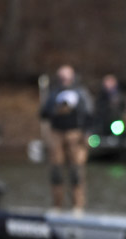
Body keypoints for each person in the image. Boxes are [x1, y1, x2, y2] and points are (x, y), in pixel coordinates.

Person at [39, 64, 93, 212]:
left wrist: (86, 133)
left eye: (66, 76)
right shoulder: (54, 93)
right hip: (56, 134)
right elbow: (43, 113)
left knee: (76, 171)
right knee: (56, 171)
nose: (64, 79)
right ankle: (57, 205)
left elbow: (89, 114)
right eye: (61, 77)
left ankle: (78, 206)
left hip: (75, 134)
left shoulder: (81, 93)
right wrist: (56, 109)